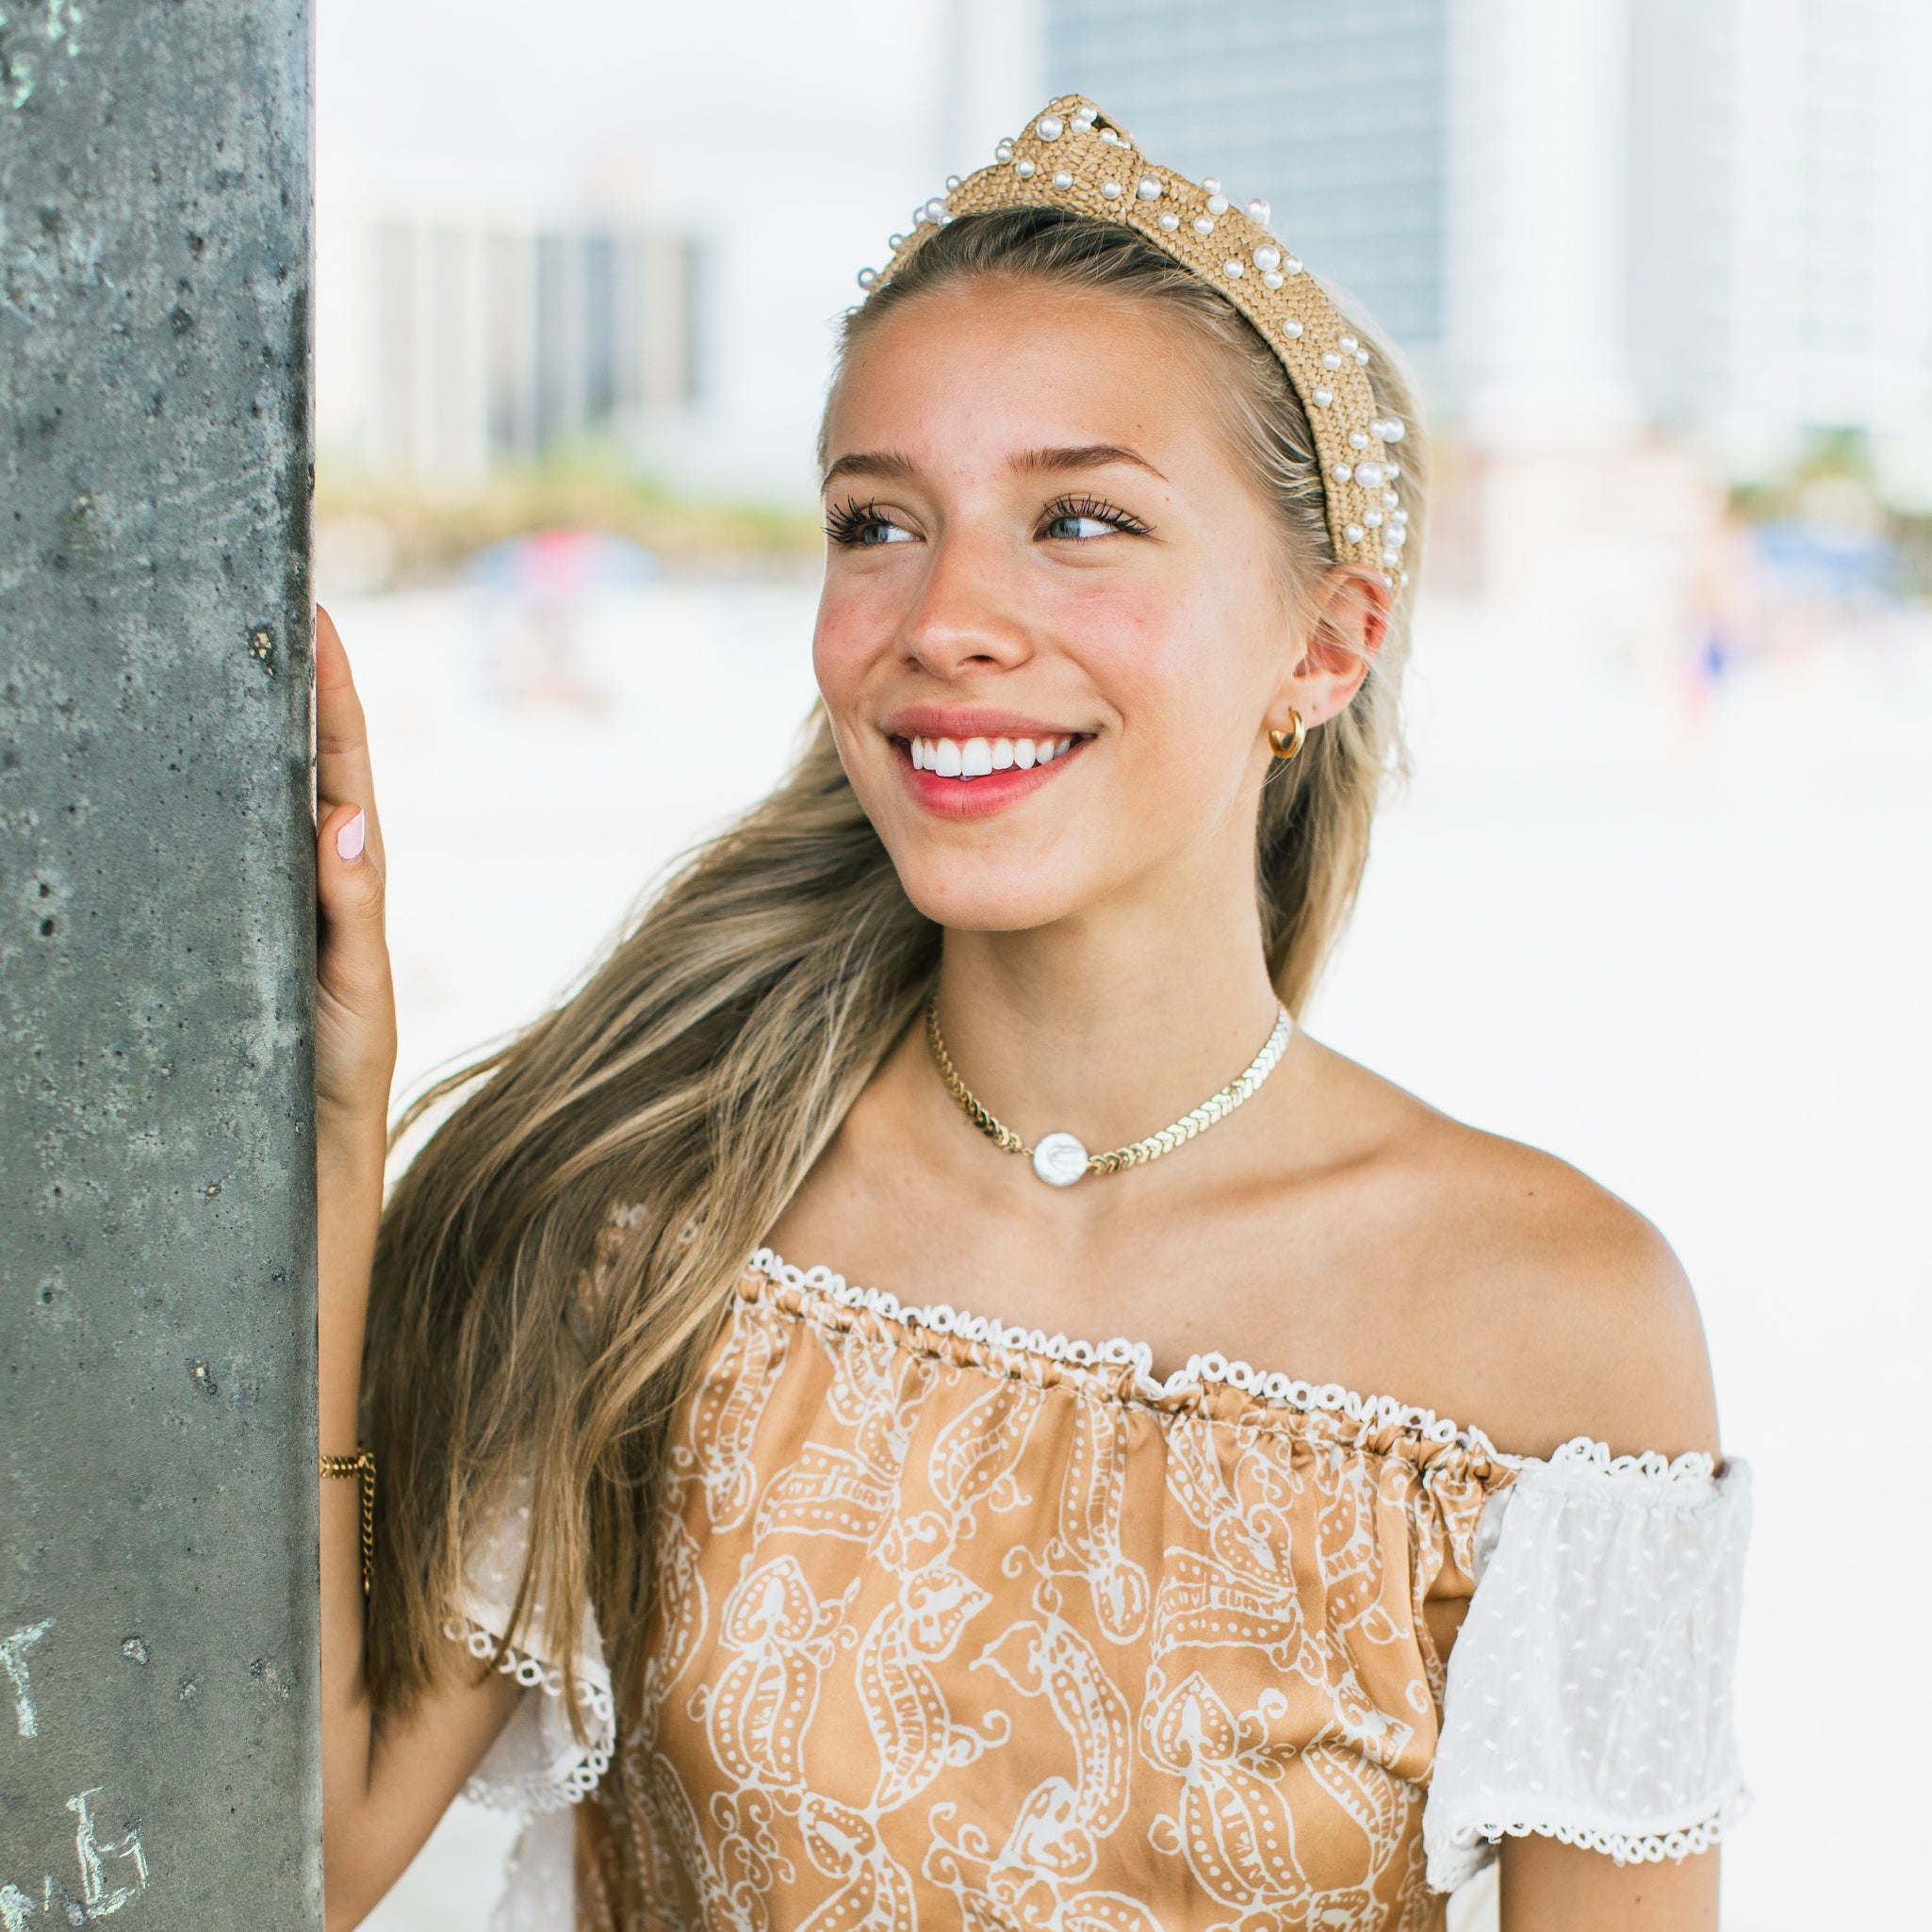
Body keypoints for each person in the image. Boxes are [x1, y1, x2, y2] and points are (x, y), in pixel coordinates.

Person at [314, 99, 1749, 1932]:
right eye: (874, 523)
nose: (946, 615)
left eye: (1077, 517)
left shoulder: (1561, 1317)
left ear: (1322, 641)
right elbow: (307, 1849)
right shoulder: (639, 1216)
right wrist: (329, 1127)